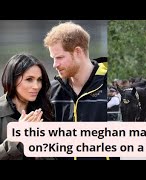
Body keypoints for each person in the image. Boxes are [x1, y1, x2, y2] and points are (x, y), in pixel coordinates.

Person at [43, 21, 118, 160]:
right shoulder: (51, 92)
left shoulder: (114, 88)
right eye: (53, 58)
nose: (55, 65)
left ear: (78, 52)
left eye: (59, 57)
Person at [0, 53, 55, 160]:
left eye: (39, 80)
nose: (36, 86)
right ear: (12, 79)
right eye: (29, 79)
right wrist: (17, 135)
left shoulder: (47, 111)